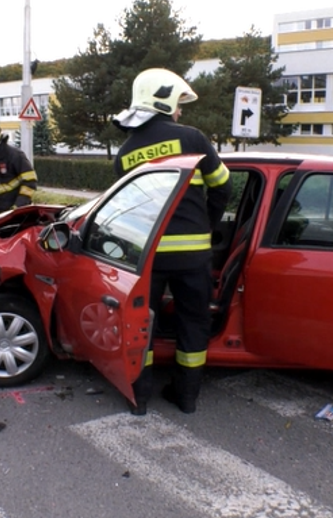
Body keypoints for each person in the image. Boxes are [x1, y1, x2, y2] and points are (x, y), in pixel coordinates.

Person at [112, 68, 232, 415]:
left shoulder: (125, 153)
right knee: (193, 323)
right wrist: (206, 226)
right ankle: (186, 397)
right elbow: (223, 187)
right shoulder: (192, 138)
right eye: (179, 103)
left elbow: (124, 208)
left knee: (141, 326)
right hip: (193, 256)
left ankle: (140, 398)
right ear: (162, 100)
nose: (180, 111)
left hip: (147, 256)